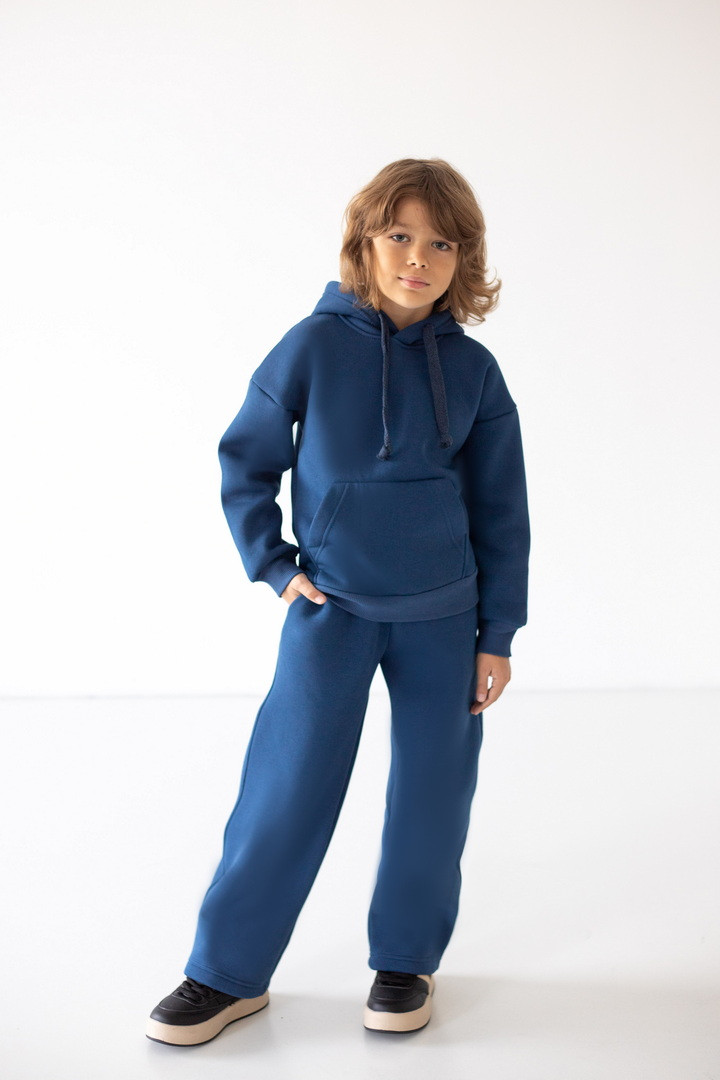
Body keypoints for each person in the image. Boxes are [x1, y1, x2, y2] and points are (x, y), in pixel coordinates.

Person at [145, 157, 531, 1045]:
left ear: (463, 259)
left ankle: (405, 963)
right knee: (285, 785)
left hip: (445, 617)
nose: (419, 258)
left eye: (442, 243)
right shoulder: (312, 347)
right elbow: (245, 459)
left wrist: (498, 633)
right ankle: (225, 973)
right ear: (365, 241)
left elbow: (503, 511)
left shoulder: (475, 371)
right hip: (333, 609)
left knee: (432, 794)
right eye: (400, 235)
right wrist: (275, 565)